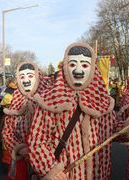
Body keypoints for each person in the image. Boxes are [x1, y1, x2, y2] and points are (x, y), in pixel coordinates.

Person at [28, 43, 117, 179]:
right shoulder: (50, 101)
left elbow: (114, 130)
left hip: (99, 175)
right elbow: (37, 142)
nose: (78, 71)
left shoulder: (103, 101)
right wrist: (50, 169)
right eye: (72, 65)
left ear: (93, 68)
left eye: (85, 65)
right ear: (65, 67)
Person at [2, 62, 51, 180]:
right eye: (22, 77)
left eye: (30, 76)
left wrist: (37, 152)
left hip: (45, 162)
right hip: (21, 161)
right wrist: (20, 150)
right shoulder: (16, 101)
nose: (26, 80)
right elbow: (7, 132)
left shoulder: (48, 100)